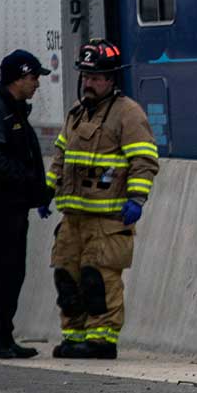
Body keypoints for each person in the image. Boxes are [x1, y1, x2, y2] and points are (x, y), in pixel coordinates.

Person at [48, 39, 159, 359]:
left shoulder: (128, 114)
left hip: (108, 219)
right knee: (66, 277)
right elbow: (61, 155)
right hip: (73, 218)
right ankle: (74, 336)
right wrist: (46, 190)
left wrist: (137, 198)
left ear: (111, 79)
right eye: (85, 76)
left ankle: (101, 340)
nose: (89, 83)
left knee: (99, 279)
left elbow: (144, 159)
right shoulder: (76, 113)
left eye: (95, 78)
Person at [0, 50, 55, 359]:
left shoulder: (13, 111)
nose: (37, 84)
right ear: (18, 78)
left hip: (13, 207)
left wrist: (36, 192)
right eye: (34, 78)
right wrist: (26, 181)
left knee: (12, 271)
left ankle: (3, 335)